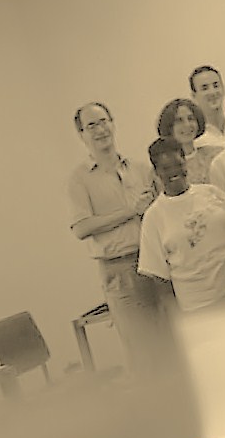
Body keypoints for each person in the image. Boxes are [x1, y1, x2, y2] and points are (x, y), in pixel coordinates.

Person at [66, 102, 168, 377]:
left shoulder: (140, 168)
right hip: (119, 270)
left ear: (113, 123)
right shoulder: (79, 180)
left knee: (171, 343)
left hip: (155, 262)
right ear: (82, 135)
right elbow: (81, 228)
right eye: (91, 126)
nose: (100, 130)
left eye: (103, 121)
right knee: (143, 352)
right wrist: (129, 212)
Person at [138, 138, 225, 312]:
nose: (174, 172)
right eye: (166, 168)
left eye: (178, 164)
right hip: (198, 305)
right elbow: (159, 277)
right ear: (156, 172)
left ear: (185, 162)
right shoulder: (153, 217)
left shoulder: (212, 192)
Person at [156, 98, 222, 184]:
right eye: (179, 120)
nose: (187, 124)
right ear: (169, 127)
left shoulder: (216, 155)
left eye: (190, 118)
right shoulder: (163, 167)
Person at [190, 65, 225, 148]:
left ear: (223, 89)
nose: (212, 92)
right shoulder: (194, 138)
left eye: (216, 86)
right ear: (194, 96)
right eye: (205, 88)